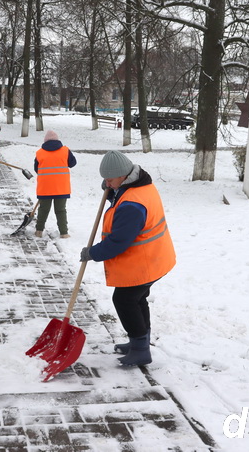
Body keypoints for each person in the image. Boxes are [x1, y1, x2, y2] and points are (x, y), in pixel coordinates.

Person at [80, 150, 176, 366]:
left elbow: (118, 242)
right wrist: (114, 191)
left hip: (145, 262)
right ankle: (139, 341)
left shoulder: (132, 205)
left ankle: (141, 349)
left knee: (124, 300)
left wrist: (92, 253)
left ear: (124, 175)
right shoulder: (140, 185)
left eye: (111, 180)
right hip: (155, 257)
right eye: (105, 179)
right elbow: (123, 200)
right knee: (136, 299)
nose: (107, 183)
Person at [34, 130, 77, 238]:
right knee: (61, 210)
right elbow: (73, 163)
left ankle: (39, 231)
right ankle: (64, 233)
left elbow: (37, 169)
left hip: (45, 187)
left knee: (43, 209)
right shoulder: (65, 151)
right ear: (57, 140)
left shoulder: (39, 153)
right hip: (61, 187)